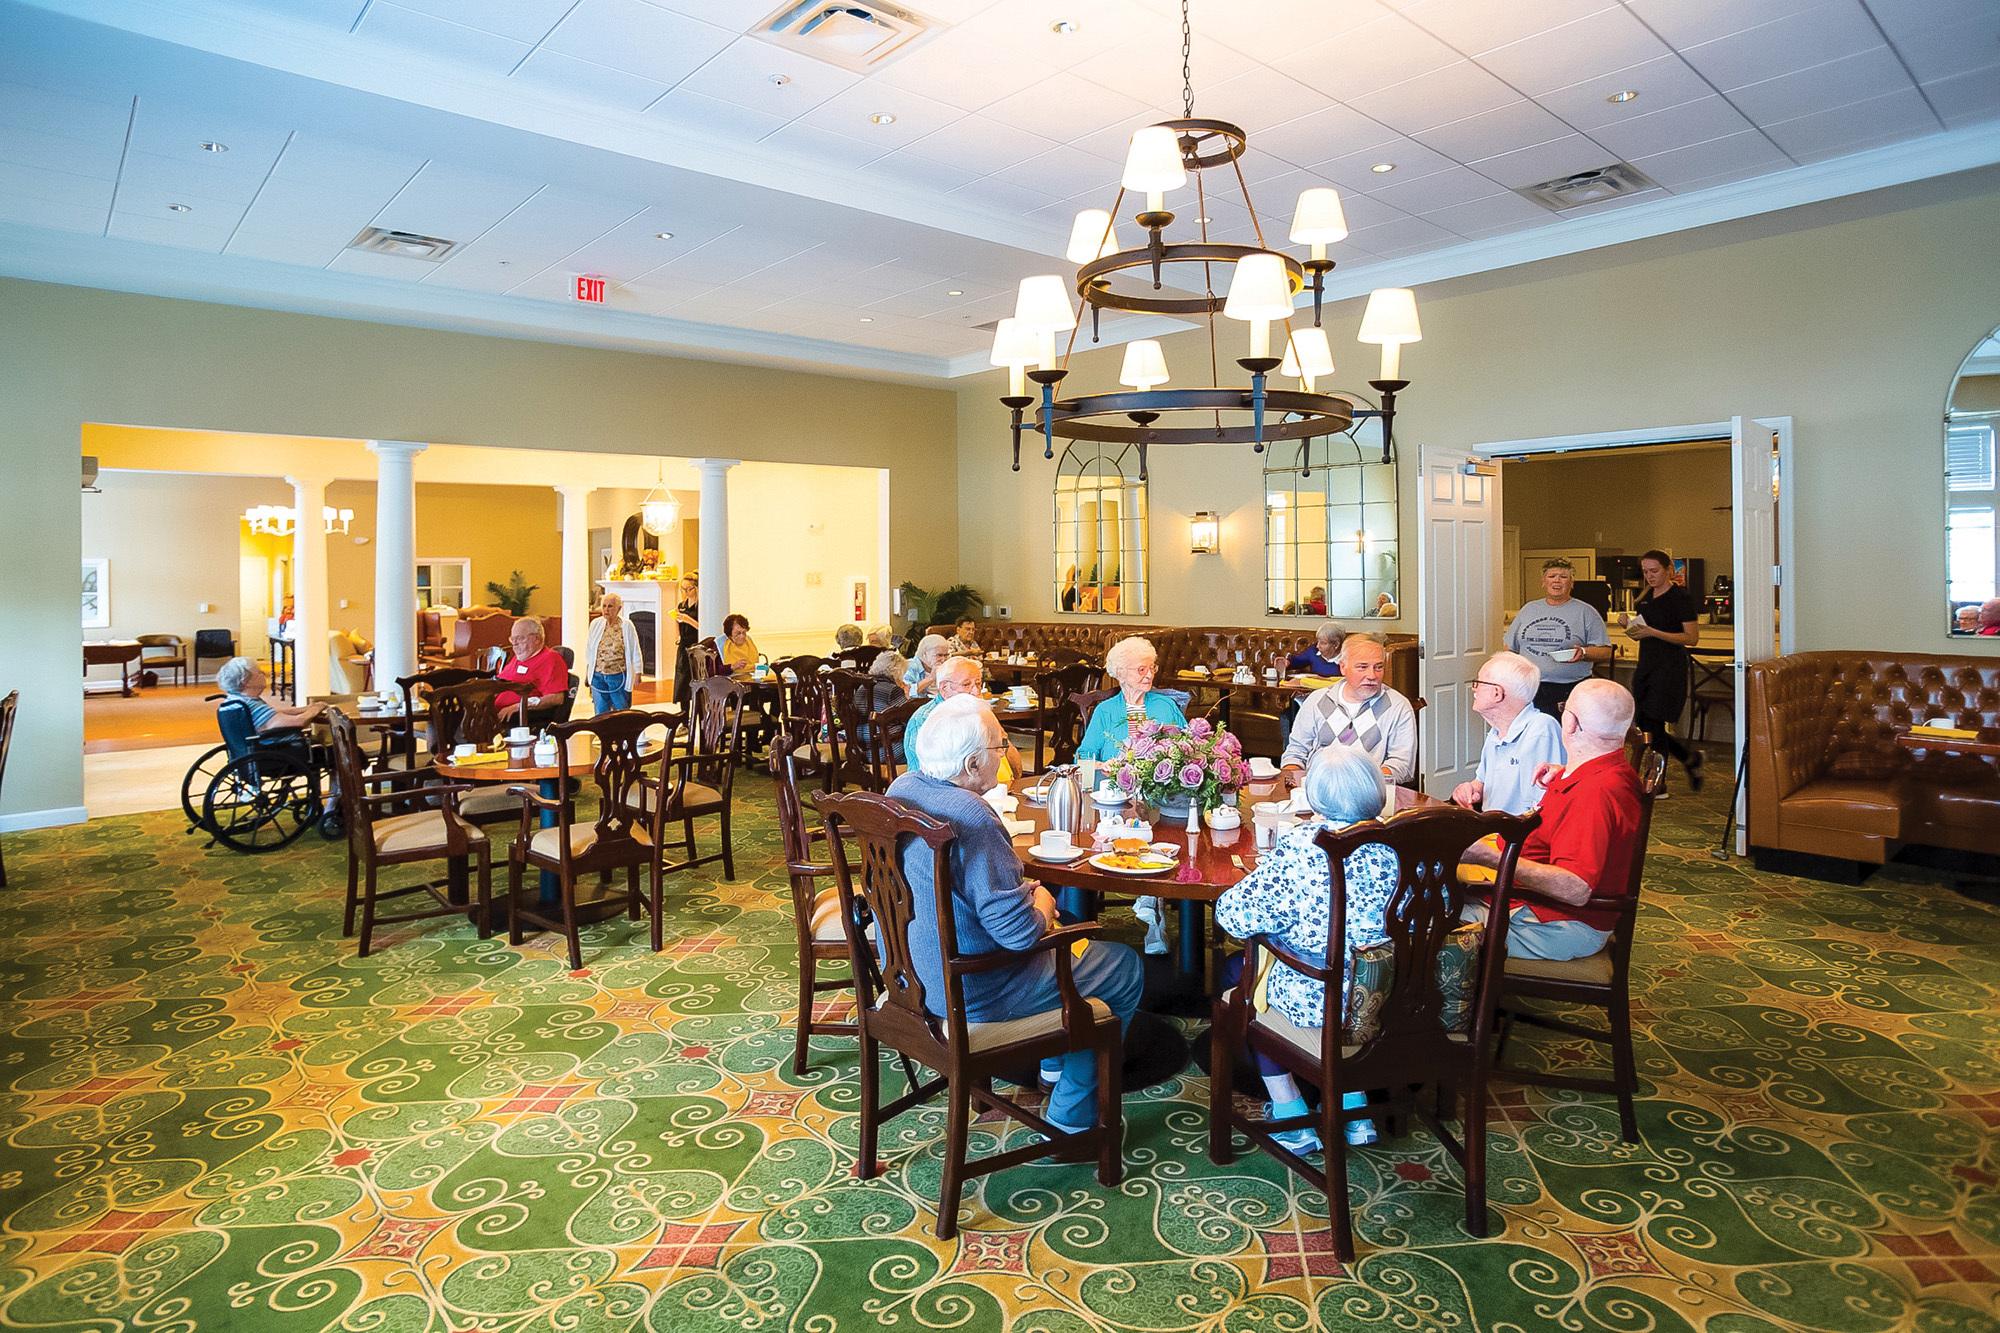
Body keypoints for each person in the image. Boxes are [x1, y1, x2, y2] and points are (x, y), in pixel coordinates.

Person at [885, 696, 1144, 1135]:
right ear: (971, 763)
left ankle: (1055, 1066)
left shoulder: (902, 789)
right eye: (1000, 744)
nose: (1007, 752)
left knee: (1070, 941)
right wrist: (1041, 899)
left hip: (911, 974)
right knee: (1124, 967)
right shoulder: (970, 814)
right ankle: (1073, 1118)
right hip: (976, 992)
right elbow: (1019, 933)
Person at [1213, 744, 1399, 1152]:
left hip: (1325, 1001)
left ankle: (1291, 1113)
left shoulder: (1304, 845)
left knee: (1239, 975)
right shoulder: (1402, 842)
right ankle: (1356, 1105)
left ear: (1314, 796)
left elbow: (1233, 918)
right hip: (1393, 996)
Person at [1460, 679, 1644, 963]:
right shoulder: (1602, 771)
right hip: (1543, 909)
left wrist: (1489, 858)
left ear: (1570, 724)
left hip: (1557, 924)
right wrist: (1564, 774)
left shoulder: (1595, 793)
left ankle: (1455, 1004)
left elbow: (1576, 888)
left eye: (1563, 710)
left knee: (1425, 916)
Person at [1076, 635, 1188, 956]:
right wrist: (1101, 768)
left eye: (1151, 668)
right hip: (1115, 796)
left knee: (1155, 819)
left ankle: (1153, 908)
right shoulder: (1106, 712)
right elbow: (1083, 756)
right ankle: (1152, 906)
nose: (1148, 675)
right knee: (1132, 819)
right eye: (1140, 670)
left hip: (1160, 792)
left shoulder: (1165, 706)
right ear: (1120, 674)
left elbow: (1188, 749)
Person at [215, 655, 339, 832]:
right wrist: (316, 709)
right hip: (281, 756)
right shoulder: (252, 705)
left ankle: (316, 802)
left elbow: (275, 714)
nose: (263, 673)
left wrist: (305, 708)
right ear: (246, 681)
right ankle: (332, 808)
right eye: (258, 672)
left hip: (251, 756)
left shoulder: (236, 702)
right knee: (342, 752)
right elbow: (297, 723)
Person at [1280, 633, 1417, 786]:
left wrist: (1359, 784)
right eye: (1362, 667)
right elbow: (1295, 753)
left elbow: (1402, 765)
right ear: (1343, 667)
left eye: (1378, 667)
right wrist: (1294, 784)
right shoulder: (1316, 700)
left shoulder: (1398, 707)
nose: (1372, 675)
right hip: (1315, 790)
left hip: (1369, 794)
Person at [1449, 652, 1565, 816]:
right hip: (1494, 829)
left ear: (1497, 693)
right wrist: (1469, 790)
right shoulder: (1497, 732)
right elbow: (1480, 784)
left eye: (1478, 682)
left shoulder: (1540, 728)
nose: (1474, 689)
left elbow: (1540, 806)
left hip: (1518, 835)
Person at [1626, 549, 1703, 790]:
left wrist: (1653, 632)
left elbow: (1691, 638)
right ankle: (1688, 758)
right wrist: (1631, 626)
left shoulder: (1680, 598)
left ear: (1668, 570)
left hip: (1669, 668)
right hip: (1647, 664)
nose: (1649, 576)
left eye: (1654, 571)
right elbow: (1643, 635)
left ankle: (1658, 783)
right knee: (1646, 723)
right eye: (1646, 572)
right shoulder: (1646, 598)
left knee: (1655, 723)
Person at [1504, 558, 1613, 717]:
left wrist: (1583, 653)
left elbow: (1605, 652)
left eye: (1563, 577)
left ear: (1572, 583)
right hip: (1529, 687)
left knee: (1566, 736)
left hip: (1568, 689)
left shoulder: (1586, 612)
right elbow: (1509, 649)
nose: (1557, 580)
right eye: (1552, 576)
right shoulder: (1528, 609)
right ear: (1543, 581)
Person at [904, 656, 1022, 777]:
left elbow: (1017, 771)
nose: (976, 692)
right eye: (966, 684)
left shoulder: (979, 713)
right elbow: (928, 777)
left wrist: (996, 729)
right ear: (944, 688)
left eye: (978, 684)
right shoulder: (926, 720)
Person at [495, 617, 568, 723]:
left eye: (520, 638)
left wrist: (518, 707)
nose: (514, 644)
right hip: (494, 712)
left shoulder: (551, 659)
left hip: (521, 718)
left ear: (537, 639)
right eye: (512, 639)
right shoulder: (519, 658)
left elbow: (556, 698)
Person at [585, 592, 642, 713]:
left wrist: (638, 672)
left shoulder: (627, 626)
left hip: (618, 675)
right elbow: (590, 650)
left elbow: (635, 649)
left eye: (610, 606)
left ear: (619, 608)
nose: (606, 609)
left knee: (621, 710)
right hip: (597, 675)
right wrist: (587, 672)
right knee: (600, 711)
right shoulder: (595, 624)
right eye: (604, 606)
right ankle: (603, 732)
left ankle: (624, 732)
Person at [673, 573, 700, 707]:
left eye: (689, 588)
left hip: (696, 644)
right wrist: (678, 636)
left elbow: (702, 627)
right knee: (682, 681)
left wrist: (687, 619)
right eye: (683, 589)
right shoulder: (682, 605)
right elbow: (677, 623)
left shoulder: (701, 606)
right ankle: (684, 719)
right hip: (684, 646)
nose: (686, 592)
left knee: (696, 679)